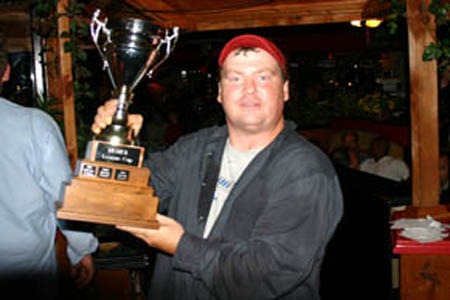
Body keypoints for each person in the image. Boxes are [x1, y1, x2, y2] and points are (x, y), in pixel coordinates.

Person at [92, 34, 343, 299]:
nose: (249, 89)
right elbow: (122, 200)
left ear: (285, 90)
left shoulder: (305, 171)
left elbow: (268, 273)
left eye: (263, 77)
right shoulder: (195, 148)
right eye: (235, 78)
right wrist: (120, 146)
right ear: (221, 93)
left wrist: (180, 245)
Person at [0, 35, 98, 299]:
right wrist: (82, 249)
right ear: (7, 72)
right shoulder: (33, 125)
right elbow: (62, 197)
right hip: (27, 273)